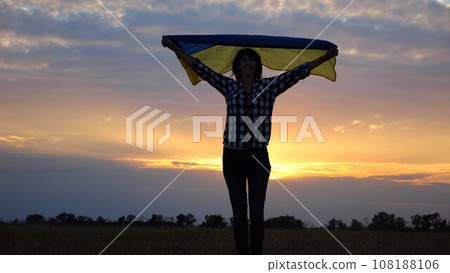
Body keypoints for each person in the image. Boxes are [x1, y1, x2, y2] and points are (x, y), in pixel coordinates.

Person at [162, 36, 338, 254]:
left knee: (256, 213)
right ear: (237, 65)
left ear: (257, 65)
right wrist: (174, 48)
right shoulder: (228, 86)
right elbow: (200, 68)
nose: (247, 63)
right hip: (232, 157)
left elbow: (297, 73)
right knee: (239, 214)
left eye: (251, 60)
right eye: (243, 59)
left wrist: (325, 57)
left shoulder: (269, 87)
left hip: (258, 157)